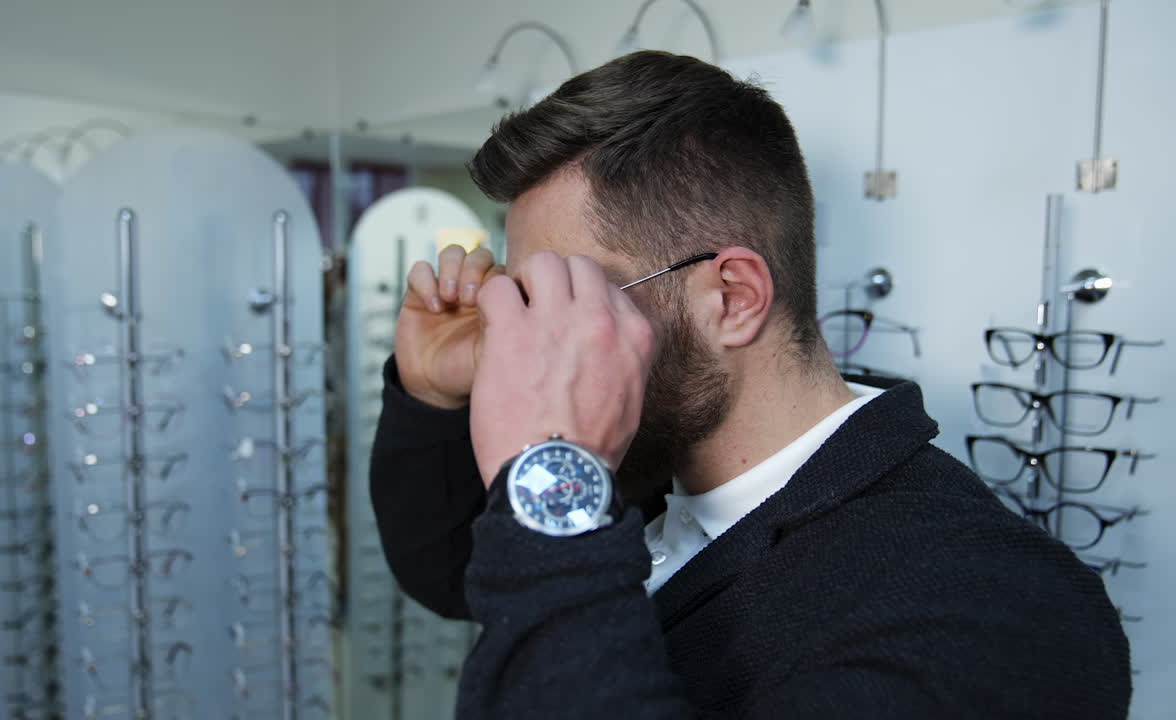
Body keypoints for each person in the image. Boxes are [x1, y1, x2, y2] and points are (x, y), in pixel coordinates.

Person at [370, 51, 1131, 719]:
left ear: (732, 298)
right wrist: (432, 393)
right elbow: (460, 574)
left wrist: (555, 471)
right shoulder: (648, 474)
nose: (532, 335)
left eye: (571, 295)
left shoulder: (998, 613)